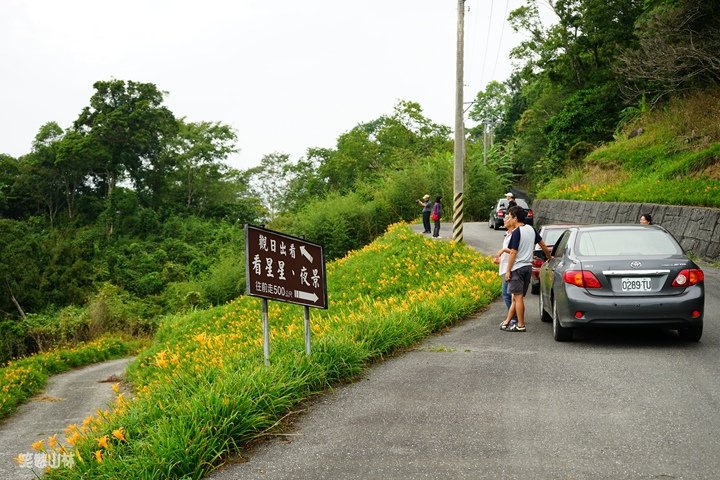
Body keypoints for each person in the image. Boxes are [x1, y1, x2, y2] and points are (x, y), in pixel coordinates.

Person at [501, 206, 552, 332]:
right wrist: (549, 257)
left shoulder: (517, 232)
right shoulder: (531, 229)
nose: (509, 219)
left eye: (510, 216)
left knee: (517, 297)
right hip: (528, 267)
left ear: (515, 218)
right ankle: (507, 322)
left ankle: (521, 324)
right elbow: (542, 244)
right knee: (516, 297)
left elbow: (513, 253)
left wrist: (508, 270)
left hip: (517, 268)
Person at [494, 215, 518, 326]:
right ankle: (514, 316)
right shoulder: (508, 234)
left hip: (510, 268)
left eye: (508, 218)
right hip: (505, 267)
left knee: (508, 294)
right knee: (508, 294)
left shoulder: (514, 234)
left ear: (513, 221)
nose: (505, 220)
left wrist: (503, 250)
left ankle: (514, 317)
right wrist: (500, 259)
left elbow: (514, 251)